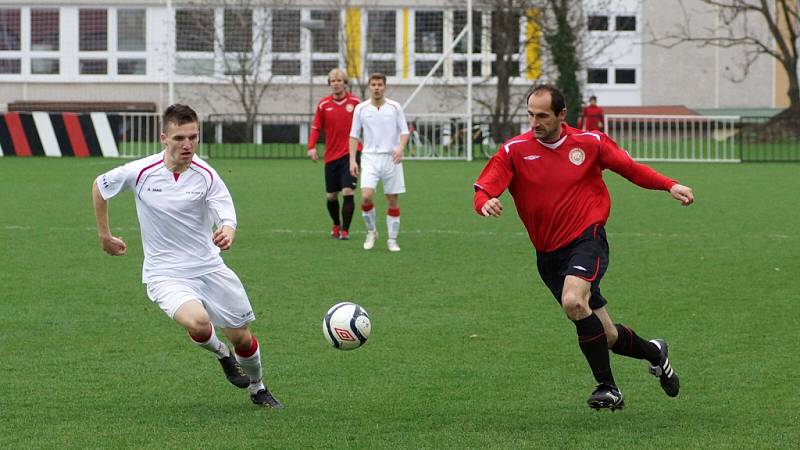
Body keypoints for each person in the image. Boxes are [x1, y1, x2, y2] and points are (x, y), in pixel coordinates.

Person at [473, 85, 694, 411]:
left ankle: (608, 388)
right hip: (548, 256)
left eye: (543, 115)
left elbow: (631, 169)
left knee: (573, 301)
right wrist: (485, 203)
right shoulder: (513, 150)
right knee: (606, 335)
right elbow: (483, 190)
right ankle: (655, 353)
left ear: (562, 115)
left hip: (586, 239)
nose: (535, 122)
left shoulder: (590, 143)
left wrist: (669, 185)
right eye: (531, 115)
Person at [91, 104, 283, 408]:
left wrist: (228, 230)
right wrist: (105, 235)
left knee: (243, 339)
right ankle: (222, 354)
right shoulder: (140, 172)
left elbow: (225, 212)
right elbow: (100, 187)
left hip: (209, 267)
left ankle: (258, 387)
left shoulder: (206, 174)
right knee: (198, 323)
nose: (188, 145)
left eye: (193, 137)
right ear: (163, 138)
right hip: (164, 273)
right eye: (180, 138)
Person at [349, 73, 409, 252]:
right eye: (373, 84)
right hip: (369, 158)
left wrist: (400, 147)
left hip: (391, 158)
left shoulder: (394, 107)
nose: (376, 88)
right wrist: (353, 160)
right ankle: (371, 231)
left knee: (392, 199)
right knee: (366, 196)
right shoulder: (361, 108)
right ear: (369, 87)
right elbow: (353, 135)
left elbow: (404, 131)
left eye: (379, 84)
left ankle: (392, 239)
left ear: (385, 87)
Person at [307, 68, 362, 240]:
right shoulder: (324, 105)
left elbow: (368, 124)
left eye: (339, 80)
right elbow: (316, 127)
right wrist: (311, 146)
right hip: (331, 156)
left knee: (348, 191)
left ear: (345, 84)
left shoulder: (356, 103)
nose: (336, 84)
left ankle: (345, 230)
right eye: (333, 81)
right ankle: (336, 224)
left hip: (351, 154)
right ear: (329, 84)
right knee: (331, 196)